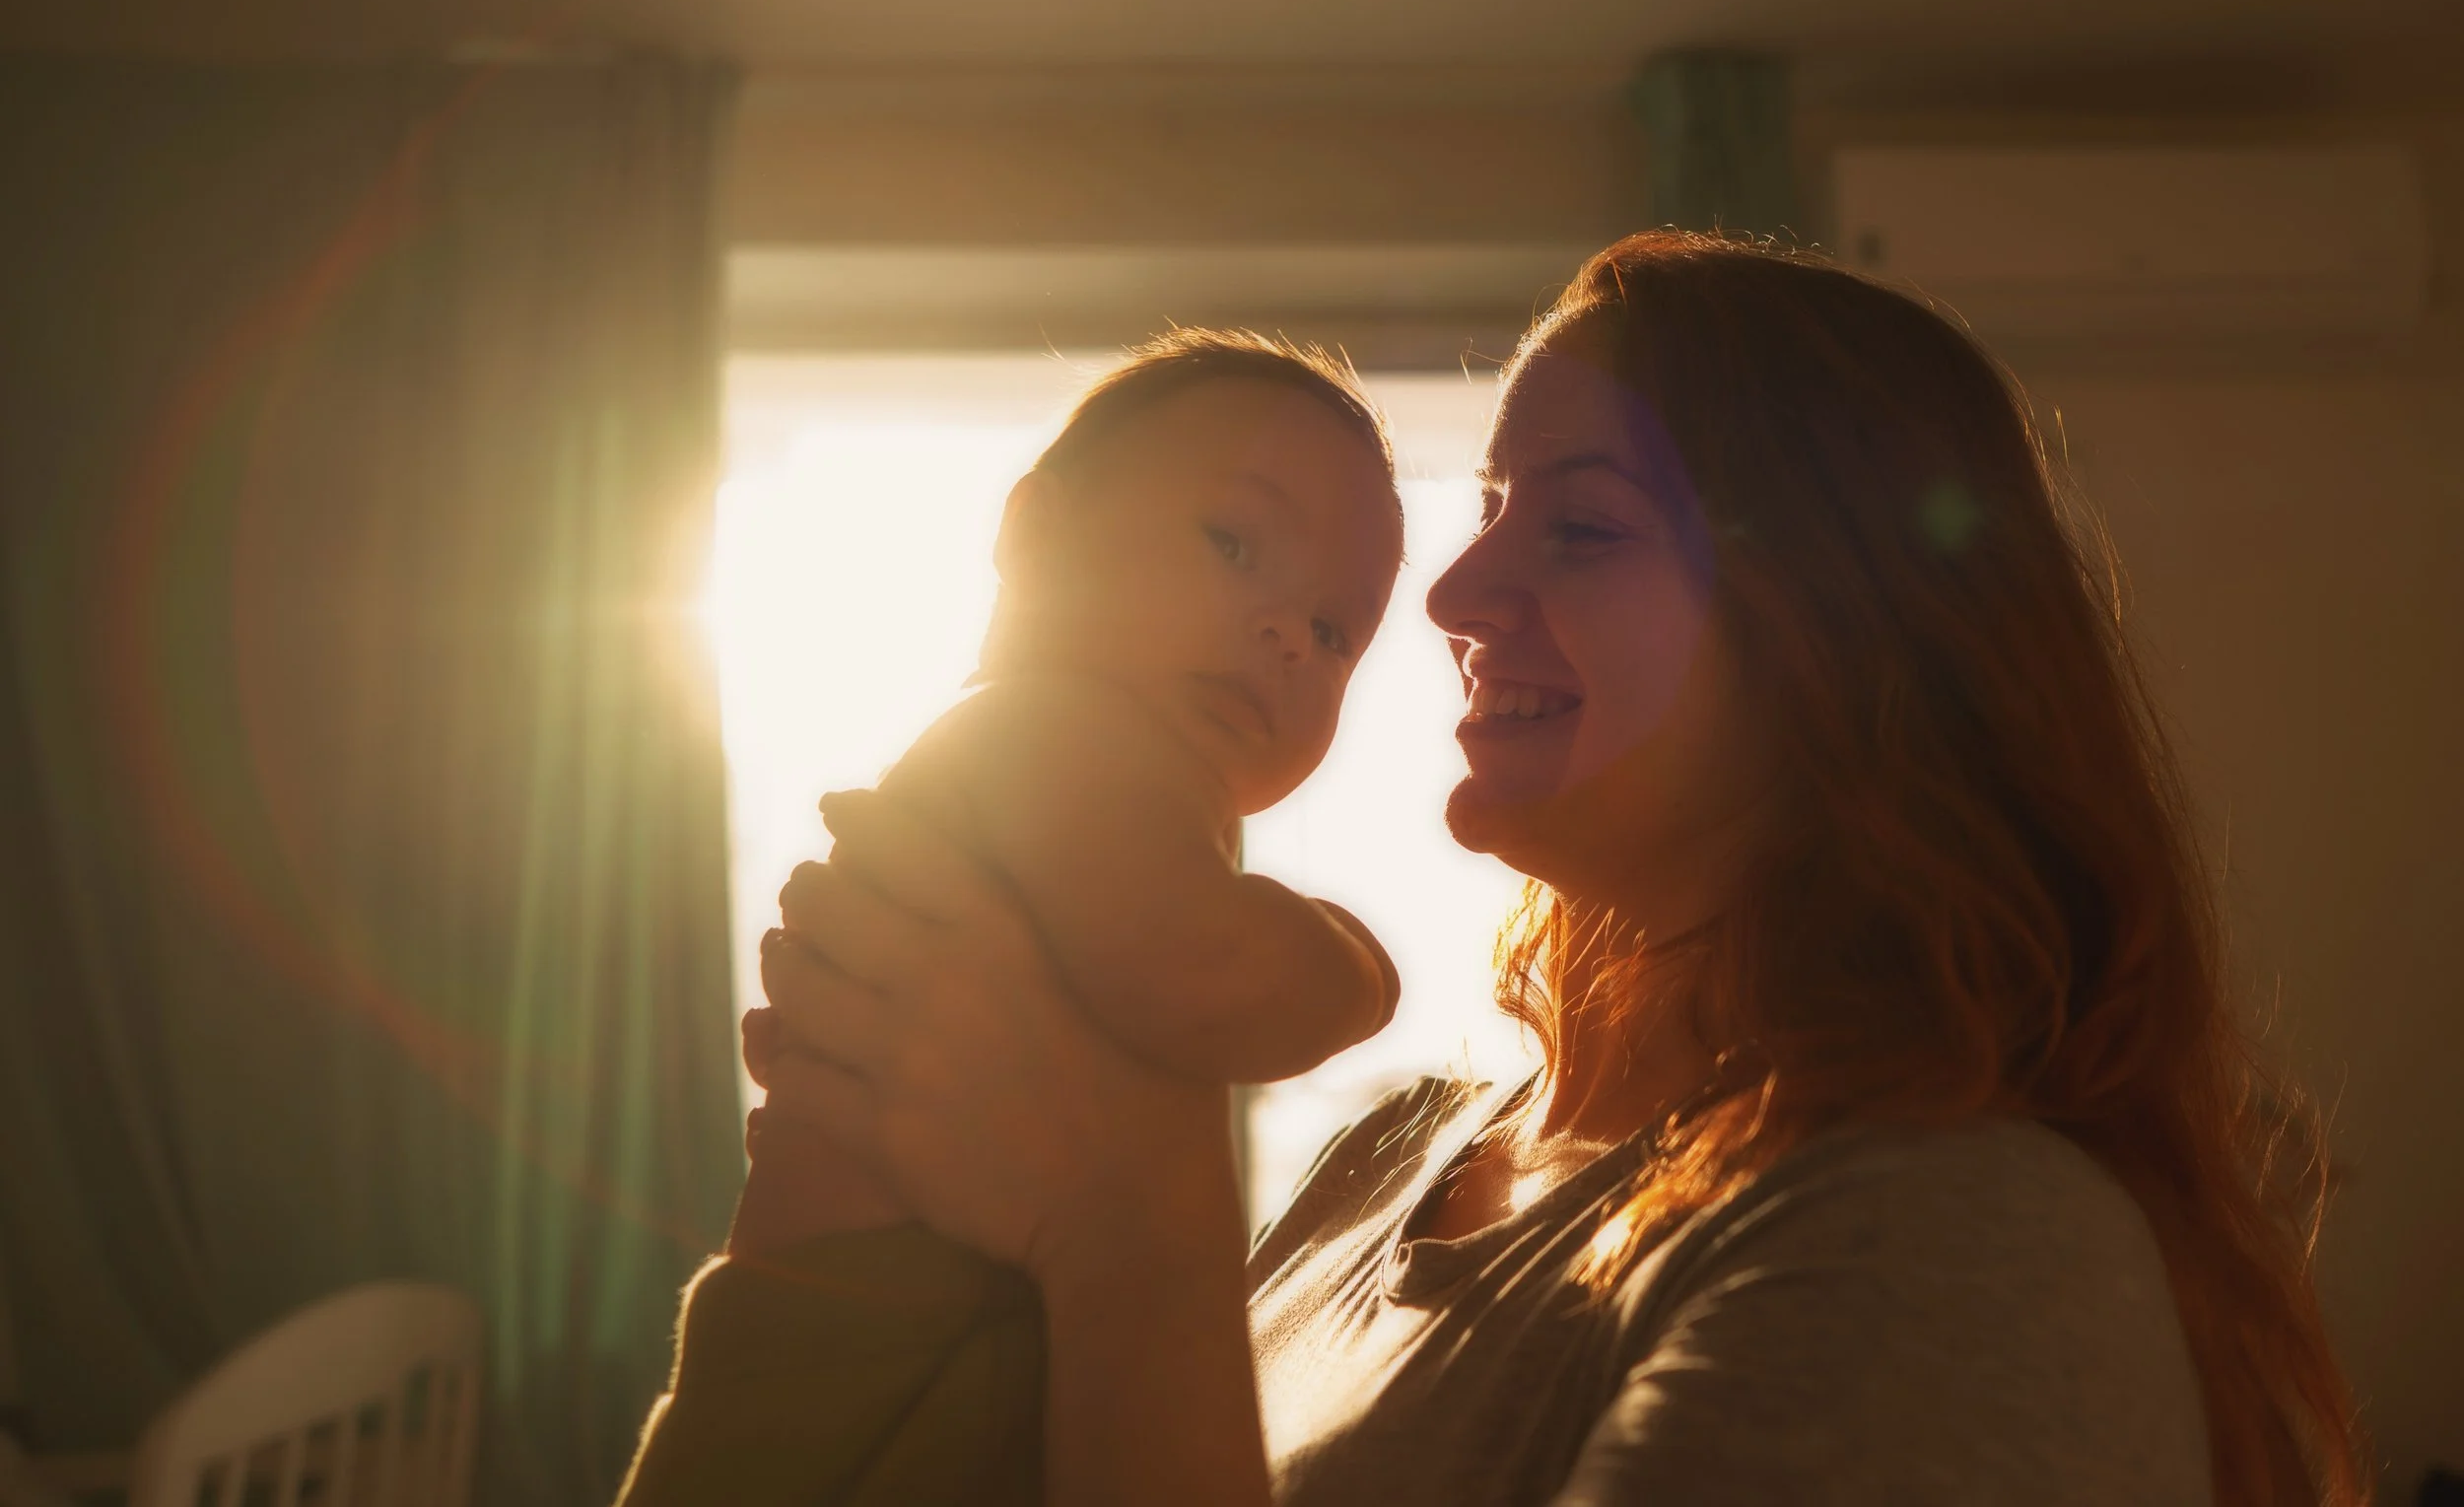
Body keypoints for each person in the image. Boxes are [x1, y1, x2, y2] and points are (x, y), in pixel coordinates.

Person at [641, 233, 2366, 1506]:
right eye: (1485, 513)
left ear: (1843, 626)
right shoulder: (1391, 1161)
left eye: (1583, 523)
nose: (1454, 604)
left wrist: (1123, 1214)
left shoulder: (1958, 1237)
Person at [617, 329, 1406, 1505]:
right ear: (1034, 536)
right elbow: (1206, 973)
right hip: (857, 1383)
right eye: (1232, 543)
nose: (1289, 633)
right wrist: (1359, 969)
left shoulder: (1096, 774)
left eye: (1336, 630)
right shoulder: (1054, 728)